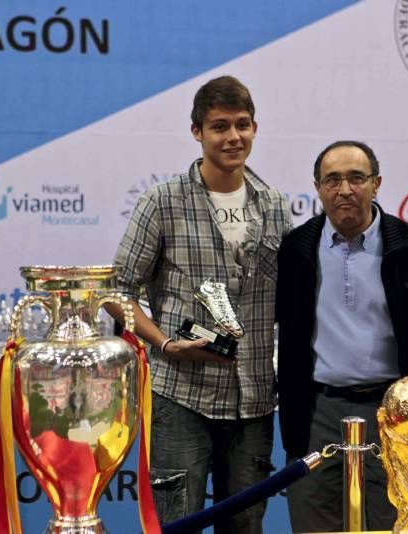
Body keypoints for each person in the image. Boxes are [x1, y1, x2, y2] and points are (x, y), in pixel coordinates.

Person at [113, 75, 292, 532]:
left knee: (246, 526)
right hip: (179, 396)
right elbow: (115, 293)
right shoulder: (162, 202)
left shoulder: (275, 206)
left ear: (255, 128)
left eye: (242, 125)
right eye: (219, 126)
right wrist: (166, 344)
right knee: (177, 525)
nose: (233, 137)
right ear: (197, 132)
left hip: (254, 399)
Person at [276, 140, 408, 532]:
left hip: (393, 415)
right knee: (314, 524)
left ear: (376, 184)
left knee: (395, 525)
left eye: (357, 178)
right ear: (318, 187)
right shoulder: (296, 249)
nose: (344, 189)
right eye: (332, 179)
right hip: (317, 414)